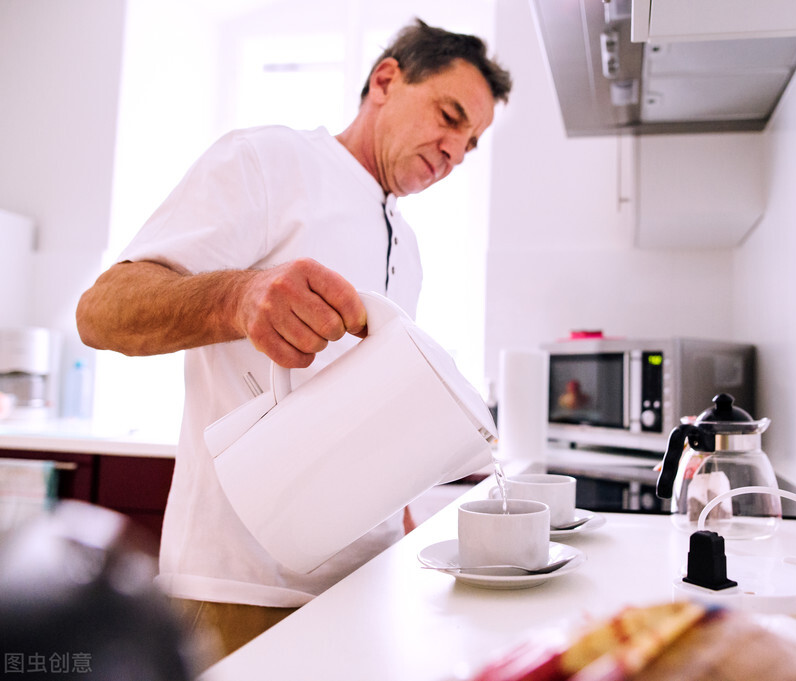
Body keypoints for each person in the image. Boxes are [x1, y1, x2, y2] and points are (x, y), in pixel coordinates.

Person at [76, 18, 511, 661]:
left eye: (470, 144)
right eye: (450, 116)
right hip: (239, 587)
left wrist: (409, 531)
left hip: (365, 586)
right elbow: (101, 312)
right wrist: (238, 296)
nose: (454, 150)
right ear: (386, 80)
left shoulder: (407, 244)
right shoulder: (267, 161)